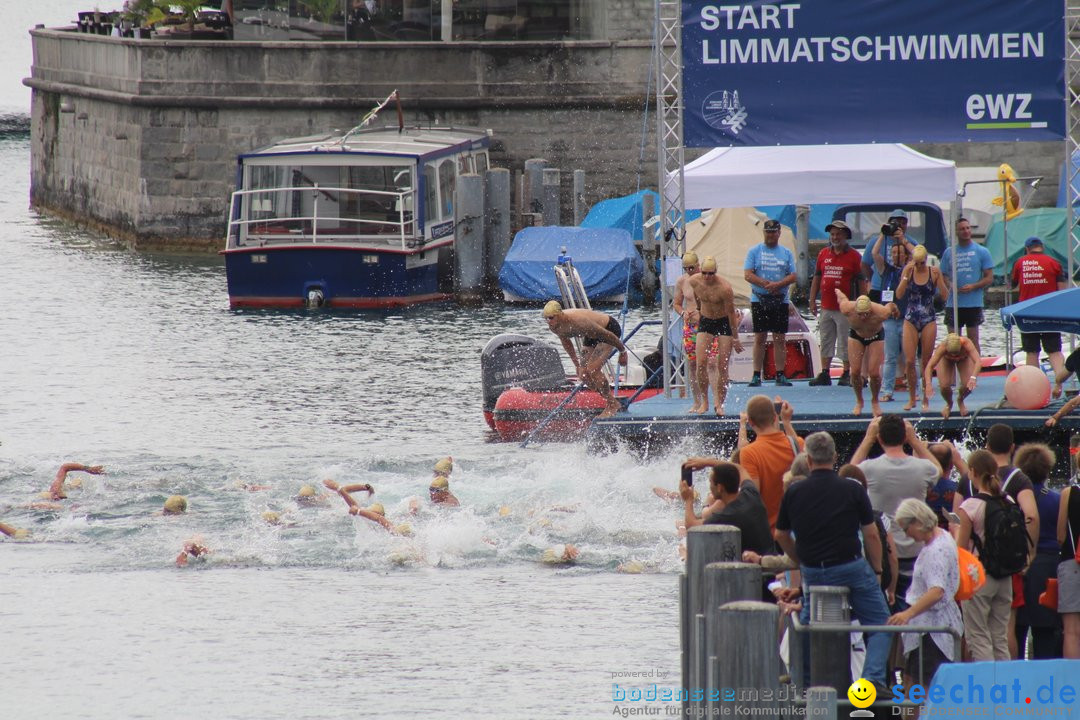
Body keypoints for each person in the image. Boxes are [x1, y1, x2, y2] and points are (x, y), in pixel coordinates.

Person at [774, 431, 891, 688]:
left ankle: (804, 683)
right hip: (850, 566)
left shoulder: (794, 492)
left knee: (806, 624)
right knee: (882, 624)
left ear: (808, 458)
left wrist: (799, 558)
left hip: (814, 569)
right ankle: (872, 681)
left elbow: (781, 534)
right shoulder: (852, 489)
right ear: (835, 457)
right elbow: (870, 534)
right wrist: (878, 569)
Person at [851, 415, 941, 610]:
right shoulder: (923, 468)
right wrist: (915, 441)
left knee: (884, 615)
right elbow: (938, 469)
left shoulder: (869, 468)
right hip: (915, 550)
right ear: (904, 438)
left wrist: (867, 439)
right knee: (913, 614)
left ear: (879, 439)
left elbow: (849, 472)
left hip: (882, 553)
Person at [887, 498, 963, 687]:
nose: (906, 535)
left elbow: (937, 591)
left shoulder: (935, 550)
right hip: (933, 626)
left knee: (924, 687)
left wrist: (908, 613)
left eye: (906, 529)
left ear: (917, 522)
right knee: (913, 683)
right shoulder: (943, 536)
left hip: (931, 631)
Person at [956, 449, 1013, 661]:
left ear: (972, 472)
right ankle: (1006, 687)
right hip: (1005, 575)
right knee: (999, 636)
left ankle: (987, 688)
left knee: (978, 635)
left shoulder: (970, 506)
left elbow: (961, 548)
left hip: (978, 576)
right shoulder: (1008, 501)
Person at [1013, 443, 1063, 658]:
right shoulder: (1057, 499)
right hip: (1049, 568)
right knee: (1046, 633)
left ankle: (1015, 682)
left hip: (1019, 565)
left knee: (1016, 629)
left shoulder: (1014, 499)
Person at [542, 300, 629, 418]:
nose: (548, 321)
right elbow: (566, 343)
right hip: (590, 335)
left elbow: (606, 335)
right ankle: (609, 398)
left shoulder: (579, 321)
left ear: (560, 315)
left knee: (593, 369)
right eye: (545, 318)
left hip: (608, 329)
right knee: (583, 374)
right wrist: (577, 365)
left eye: (551, 318)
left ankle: (612, 404)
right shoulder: (554, 326)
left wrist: (622, 351)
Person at [808, 220, 865, 387]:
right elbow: (817, 278)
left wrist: (863, 303)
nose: (835, 237)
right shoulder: (823, 254)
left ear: (846, 236)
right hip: (826, 306)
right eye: (832, 234)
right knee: (826, 339)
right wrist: (812, 300)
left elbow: (861, 281)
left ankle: (846, 372)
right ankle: (825, 372)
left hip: (846, 307)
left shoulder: (855, 256)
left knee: (845, 340)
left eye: (838, 234)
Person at [686, 256, 743, 414]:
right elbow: (698, 296)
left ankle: (720, 404)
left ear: (716, 273)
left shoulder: (724, 288)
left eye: (711, 273)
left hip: (723, 321)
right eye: (704, 273)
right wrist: (698, 310)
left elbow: (731, 313)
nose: (707, 277)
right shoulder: (694, 281)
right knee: (701, 363)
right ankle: (705, 402)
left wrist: (736, 337)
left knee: (722, 366)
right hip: (706, 321)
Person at [743, 218, 797, 387]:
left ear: (779, 233)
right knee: (760, 337)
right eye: (768, 232)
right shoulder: (754, 251)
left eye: (773, 232)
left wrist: (778, 285)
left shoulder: (786, 253)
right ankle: (756, 375)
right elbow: (748, 274)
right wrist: (766, 285)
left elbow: (793, 275)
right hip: (759, 299)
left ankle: (780, 374)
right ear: (764, 233)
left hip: (780, 299)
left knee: (779, 338)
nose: (770, 235)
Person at [679, 459, 773, 555]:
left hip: (756, 567)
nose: (710, 487)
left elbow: (691, 526)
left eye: (710, 483)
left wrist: (688, 500)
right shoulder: (750, 493)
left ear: (720, 488)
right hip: (773, 556)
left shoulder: (726, 516)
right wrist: (706, 462)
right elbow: (740, 469)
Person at [737, 395, 803, 530]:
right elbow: (796, 444)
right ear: (774, 417)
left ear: (750, 422)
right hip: (798, 530)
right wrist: (786, 422)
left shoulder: (749, 453)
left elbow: (752, 497)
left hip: (768, 533)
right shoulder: (797, 444)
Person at [895, 244, 948, 411]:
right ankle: (912, 398)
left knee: (926, 361)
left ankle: (926, 398)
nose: (918, 266)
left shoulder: (933, 272)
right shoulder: (908, 271)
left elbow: (946, 295)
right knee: (910, 361)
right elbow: (899, 294)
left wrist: (941, 280)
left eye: (921, 263)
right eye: (916, 263)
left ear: (926, 260)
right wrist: (905, 276)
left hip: (928, 318)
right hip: (910, 318)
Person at [1011, 236, 1067, 385]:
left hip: (1027, 312)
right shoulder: (1054, 263)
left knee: (1031, 351)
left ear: (1027, 249)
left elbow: (1013, 284)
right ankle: (1060, 383)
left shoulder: (1020, 263)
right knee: (1054, 350)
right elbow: (1062, 289)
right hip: (1050, 312)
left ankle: (1034, 385)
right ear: (1042, 247)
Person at [835, 290, 898, 416]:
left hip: (876, 336)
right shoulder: (847, 309)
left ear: (871, 311)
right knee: (855, 372)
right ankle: (859, 401)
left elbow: (890, 305)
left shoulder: (881, 312)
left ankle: (875, 401)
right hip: (856, 336)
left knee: (874, 373)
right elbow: (842, 298)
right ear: (855, 311)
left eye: (866, 314)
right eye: (860, 314)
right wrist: (838, 292)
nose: (863, 317)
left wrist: (896, 310)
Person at [940, 217, 994, 353]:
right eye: (962, 229)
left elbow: (989, 278)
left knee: (973, 339)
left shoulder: (982, 251)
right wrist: (950, 285)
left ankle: (975, 369)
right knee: (953, 341)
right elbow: (943, 275)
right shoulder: (949, 252)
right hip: (953, 303)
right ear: (956, 232)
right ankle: (954, 369)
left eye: (968, 228)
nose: (966, 231)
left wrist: (974, 286)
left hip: (973, 303)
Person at [871, 226, 910, 402]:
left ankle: (913, 388)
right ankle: (887, 390)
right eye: (893, 253)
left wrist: (903, 240)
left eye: (899, 253)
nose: (896, 256)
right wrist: (882, 235)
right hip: (890, 321)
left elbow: (918, 255)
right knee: (890, 357)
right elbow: (874, 253)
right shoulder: (886, 269)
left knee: (910, 358)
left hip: (907, 319)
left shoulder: (909, 269)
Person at [674, 251, 718, 406]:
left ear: (698, 265)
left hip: (709, 325)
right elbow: (677, 304)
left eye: (691, 268)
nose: (689, 271)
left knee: (712, 362)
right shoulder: (682, 281)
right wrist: (683, 312)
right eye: (686, 268)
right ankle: (697, 402)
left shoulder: (708, 279)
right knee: (693, 364)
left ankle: (716, 401)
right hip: (691, 327)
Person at [862, 210, 916, 304]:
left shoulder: (911, 242)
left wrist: (903, 240)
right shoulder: (875, 241)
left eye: (903, 223)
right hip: (879, 288)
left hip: (902, 288)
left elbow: (919, 256)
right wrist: (884, 233)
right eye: (896, 223)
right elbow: (866, 263)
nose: (900, 226)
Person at [923, 333, 982, 418]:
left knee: (968, 384)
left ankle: (960, 400)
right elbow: (929, 366)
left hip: (964, 359)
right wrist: (928, 384)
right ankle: (949, 403)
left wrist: (973, 377)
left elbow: (978, 362)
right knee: (944, 385)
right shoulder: (942, 347)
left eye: (956, 353)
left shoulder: (967, 343)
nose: (954, 356)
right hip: (946, 360)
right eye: (952, 353)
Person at [1057, 472, 1080, 658]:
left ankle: (1073, 683)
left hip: (1073, 562)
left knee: (1071, 631)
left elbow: (1060, 536)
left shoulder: (1069, 493)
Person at [322, 479, 401, 533]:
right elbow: (354, 505)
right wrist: (367, 487)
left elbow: (378, 518)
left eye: (370, 513)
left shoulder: (387, 527)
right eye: (369, 512)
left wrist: (339, 488)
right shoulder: (368, 519)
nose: (368, 515)